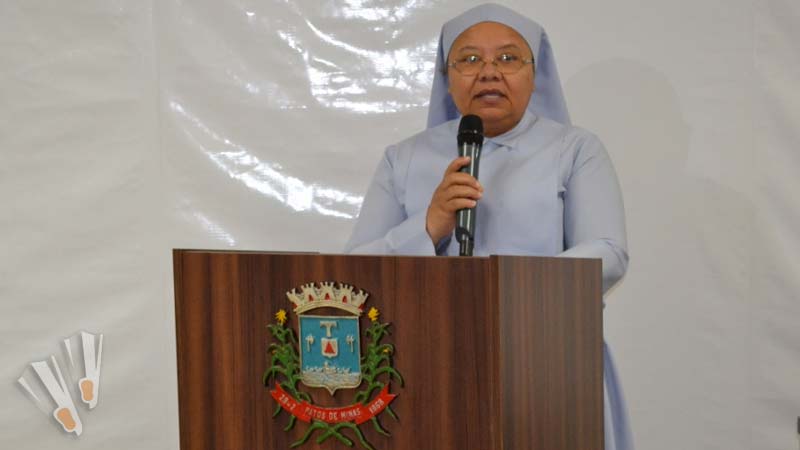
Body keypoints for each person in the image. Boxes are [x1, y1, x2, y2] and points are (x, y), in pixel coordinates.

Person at [345, 3, 633, 449]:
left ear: (534, 75)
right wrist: (428, 227)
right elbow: (353, 271)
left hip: (545, 359)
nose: (489, 72)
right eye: (470, 59)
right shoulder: (404, 158)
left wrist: (505, 293)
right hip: (427, 364)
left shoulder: (574, 149)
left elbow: (608, 252)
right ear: (448, 77)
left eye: (508, 58)